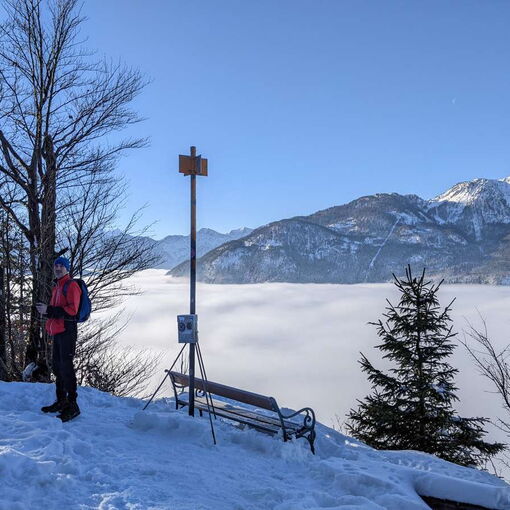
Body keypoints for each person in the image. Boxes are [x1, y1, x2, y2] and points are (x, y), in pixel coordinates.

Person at [36, 256, 82, 422]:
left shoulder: (71, 285)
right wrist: (46, 311)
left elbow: (72, 310)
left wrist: (49, 310)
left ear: (67, 268)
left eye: (61, 265)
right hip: (58, 331)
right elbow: (57, 310)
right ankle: (62, 401)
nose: (58, 268)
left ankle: (73, 405)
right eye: (56, 265)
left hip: (67, 331)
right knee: (57, 367)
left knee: (67, 368)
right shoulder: (57, 286)